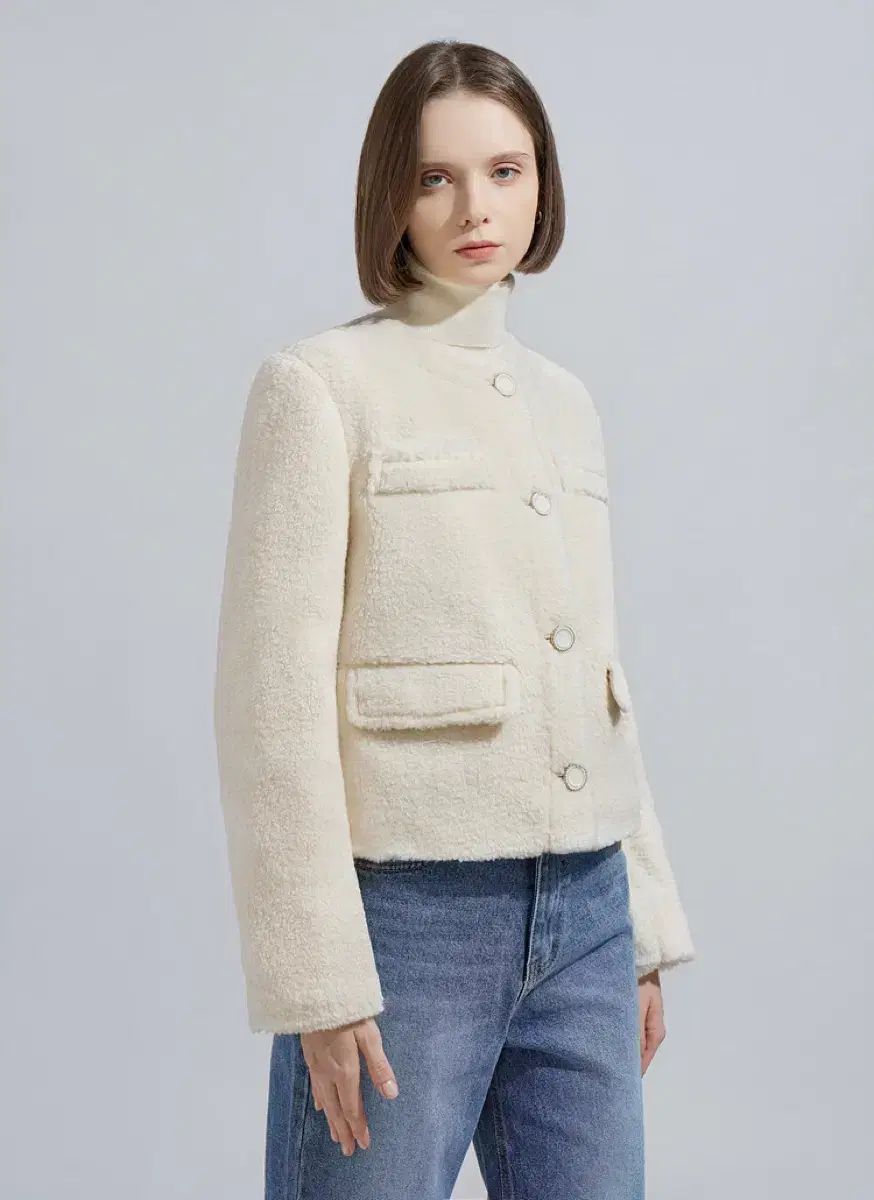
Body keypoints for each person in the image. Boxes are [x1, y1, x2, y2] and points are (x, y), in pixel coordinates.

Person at [213, 38, 696, 1200]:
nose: (476, 207)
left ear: (542, 184)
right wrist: (317, 977)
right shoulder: (320, 387)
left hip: (586, 915)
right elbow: (269, 704)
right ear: (391, 192)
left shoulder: (566, 404)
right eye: (436, 177)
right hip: (405, 926)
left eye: (505, 171)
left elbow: (594, 676)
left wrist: (639, 927)